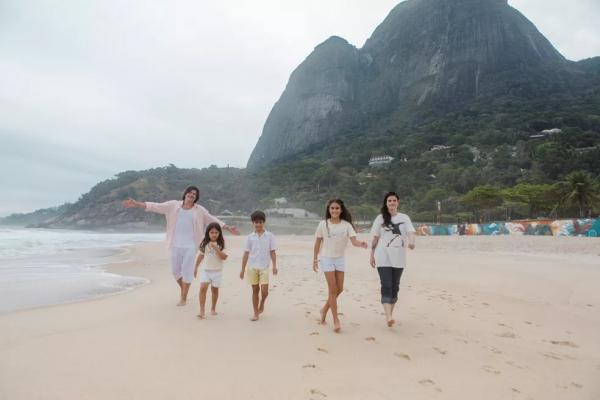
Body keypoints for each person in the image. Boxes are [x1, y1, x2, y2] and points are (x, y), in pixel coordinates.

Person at [122, 186, 239, 306]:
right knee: (175, 271)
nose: (191, 195)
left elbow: (211, 219)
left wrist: (227, 227)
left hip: (191, 245)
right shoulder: (173, 205)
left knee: (187, 271)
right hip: (175, 244)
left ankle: (183, 298)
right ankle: (184, 290)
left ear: (196, 197)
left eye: (194, 194)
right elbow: (155, 206)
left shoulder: (199, 210)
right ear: (185, 194)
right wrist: (137, 204)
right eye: (190, 192)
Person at [313, 199, 367, 333]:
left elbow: (354, 241)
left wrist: (361, 244)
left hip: (340, 259)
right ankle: (336, 320)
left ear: (341, 210)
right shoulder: (322, 224)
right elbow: (318, 243)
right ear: (329, 210)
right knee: (332, 290)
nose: (334, 210)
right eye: (332, 208)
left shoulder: (347, 225)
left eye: (337, 208)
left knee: (340, 289)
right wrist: (315, 259)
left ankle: (324, 309)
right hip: (327, 258)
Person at [370, 192, 416, 327]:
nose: (392, 203)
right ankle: (388, 316)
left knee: (395, 286)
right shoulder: (380, 218)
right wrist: (371, 255)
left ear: (398, 202)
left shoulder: (404, 217)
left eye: (394, 200)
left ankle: (390, 313)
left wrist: (412, 242)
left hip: (399, 256)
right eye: (389, 201)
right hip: (382, 255)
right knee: (386, 284)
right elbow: (375, 238)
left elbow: (410, 232)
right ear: (386, 203)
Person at [239, 211, 277, 321]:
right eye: (256, 222)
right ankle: (256, 313)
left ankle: (262, 302)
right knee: (255, 290)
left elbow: (273, 252)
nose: (258, 224)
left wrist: (274, 266)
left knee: (264, 291)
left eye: (260, 222)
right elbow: (246, 254)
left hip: (264, 267)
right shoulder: (249, 237)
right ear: (253, 223)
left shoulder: (270, 236)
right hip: (252, 267)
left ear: (263, 222)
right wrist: (242, 269)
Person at [194, 222, 228, 319]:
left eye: (216, 232)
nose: (214, 234)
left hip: (217, 271)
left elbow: (224, 257)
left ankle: (213, 308)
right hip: (206, 270)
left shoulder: (222, 244)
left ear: (219, 233)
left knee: (214, 290)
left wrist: (216, 248)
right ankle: (202, 311)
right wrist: (195, 267)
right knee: (202, 288)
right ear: (208, 233)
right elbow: (200, 256)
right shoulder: (205, 243)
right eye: (211, 232)